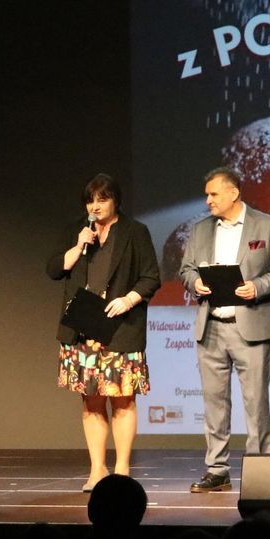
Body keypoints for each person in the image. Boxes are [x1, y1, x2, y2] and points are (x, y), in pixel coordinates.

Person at [178, 167, 270, 493]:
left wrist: (256, 287)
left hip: (251, 327)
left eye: (213, 194)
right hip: (212, 326)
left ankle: (261, 470)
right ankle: (217, 470)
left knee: (256, 404)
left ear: (234, 193)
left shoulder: (267, 225)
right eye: (207, 194)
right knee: (214, 403)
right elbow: (186, 269)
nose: (208, 200)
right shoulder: (200, 230)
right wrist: (195, 282)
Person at [47, 173, 161, 492]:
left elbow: (151, 277)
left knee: (123, 399)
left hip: (120, 326)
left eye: (102, 199)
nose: (95, 206)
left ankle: (122, 469)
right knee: (91, 401)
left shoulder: (135, 231)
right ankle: (97, 469)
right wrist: (78, 245)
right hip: (83, 328)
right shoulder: (77, 230)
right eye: (90, 201)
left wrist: (129, 299)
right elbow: (54, 269)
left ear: (116, 201)